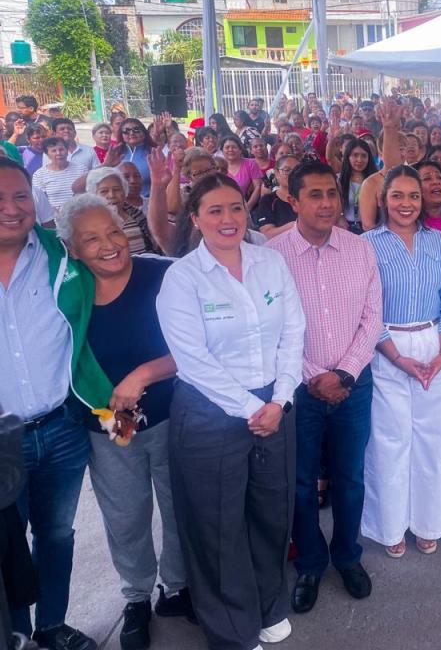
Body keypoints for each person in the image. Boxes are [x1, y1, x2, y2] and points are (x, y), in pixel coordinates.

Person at [156, 173, 305, 650]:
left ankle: (267, 605)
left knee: (270, 510)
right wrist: (251, 407)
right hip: (209, 412)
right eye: (215, 210)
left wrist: (280, 399)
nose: (228, 219)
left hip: (274, 405)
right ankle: (231, 630)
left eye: (237, 208)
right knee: (217, 524)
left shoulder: (270, 262)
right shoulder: (182, 278)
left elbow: (293, 332)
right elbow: (192, 358)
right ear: (196, 219)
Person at [58, 195, 194, 650]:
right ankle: (136, 597)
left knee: (178, 507)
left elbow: (201, 344)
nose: (108, 245)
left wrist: (143, 374)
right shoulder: (68, 293)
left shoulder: (164, 275)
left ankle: (176, 589)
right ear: (72, 249)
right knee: (126, 516)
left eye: (113, 231)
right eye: (91, 239)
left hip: (173, 415)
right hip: (110, 428)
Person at [265, 162, 382, 610]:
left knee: (351, 478)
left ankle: (348, 556)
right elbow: (272, 327)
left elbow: (373, 317)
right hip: (299, 388)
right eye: (314, 195)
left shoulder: (359, 249)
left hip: (354, 384)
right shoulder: (273, 257)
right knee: (300, 483)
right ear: (293, 201)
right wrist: (314, 377)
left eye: (331, 193)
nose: (326, 203)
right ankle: (311, 564)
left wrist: (345, 373)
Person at [1, 157, 105, 650]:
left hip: (60, 426)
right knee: (5, 541)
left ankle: (51, 626)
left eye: (20, 196)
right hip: (2, 441)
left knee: (57, 534)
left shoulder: (59, 257)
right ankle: (14, 629)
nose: (11, 208)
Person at [361, 165, 441, 557]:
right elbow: (367, 310)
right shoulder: (366, 244)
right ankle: (390, 525)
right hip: (388, 347)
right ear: (383, 200)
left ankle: (429, 521)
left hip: (436, 343)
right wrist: (398, 357)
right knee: (390, 439)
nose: (406, 204)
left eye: (413, 196)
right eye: (397, 195)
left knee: (433, 438)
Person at [86, 167, 161, 255]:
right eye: (104, 191)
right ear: (94, 195)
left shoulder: (138, 216)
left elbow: (155, 247)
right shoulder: (89, 224)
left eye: (116, 189)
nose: (111, 195)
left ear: (124, 191)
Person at [254, 155, 300, 238]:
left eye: (297, 170)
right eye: (287, 170)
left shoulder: (308, 198)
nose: (293, 174)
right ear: (276, 173)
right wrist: (295, 225)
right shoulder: (267, 200)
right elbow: (267, 234)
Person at [32, 137, 77, 214]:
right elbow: (40, 201)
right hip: (55, 220)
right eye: (53, 151)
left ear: (67, 151)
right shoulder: (39, 175)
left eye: (61, 149)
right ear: (47, 154)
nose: (58, 153)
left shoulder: (81, 169)